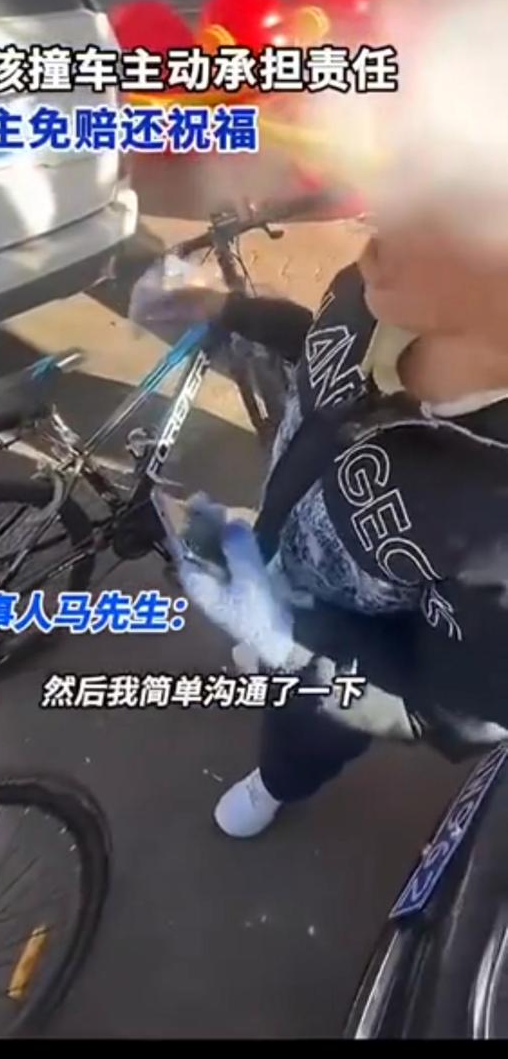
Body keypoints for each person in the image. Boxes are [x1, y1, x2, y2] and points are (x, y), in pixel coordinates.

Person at [158, 203, 508, 837]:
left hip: (344, 653)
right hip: (282, 542)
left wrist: (288, 639)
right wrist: (230, 312)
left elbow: (447, 708)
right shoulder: (375, 288)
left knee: (304, 726)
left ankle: (277, 783)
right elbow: (318, 343)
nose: (375, 241)